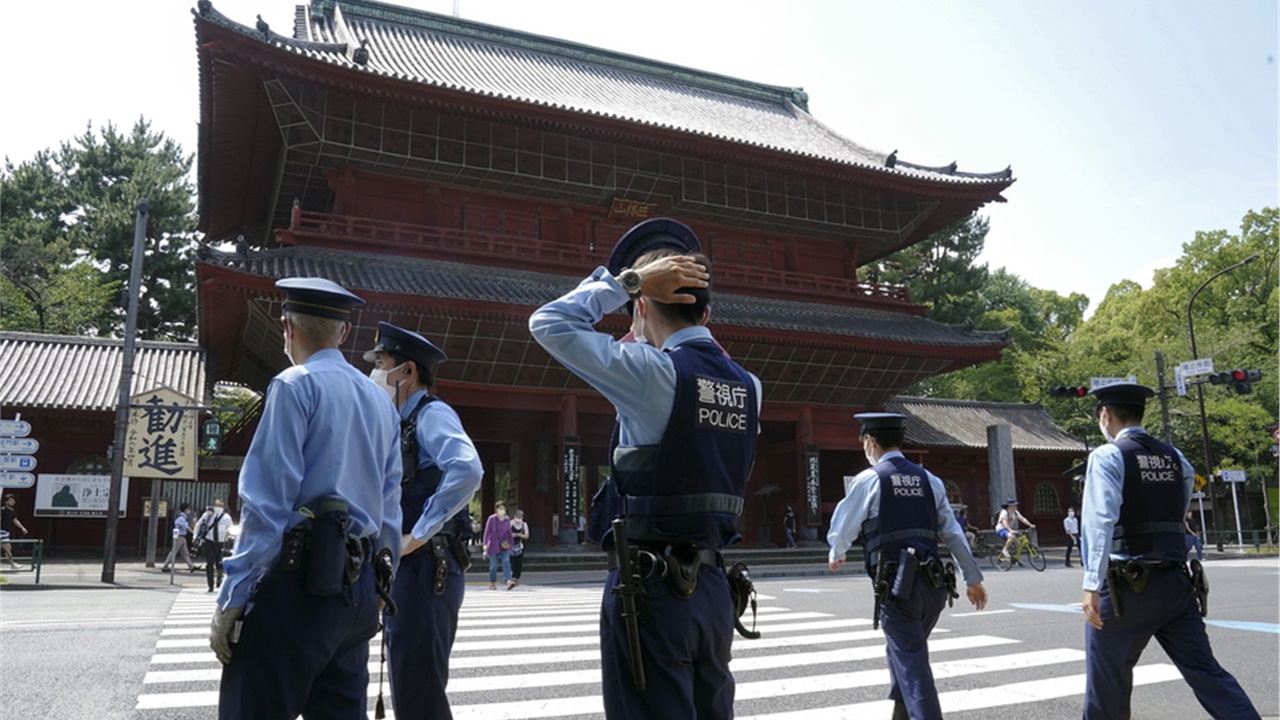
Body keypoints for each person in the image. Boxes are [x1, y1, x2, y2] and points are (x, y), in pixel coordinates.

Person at [529, 217, 761, 719]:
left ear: (640, 305)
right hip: (714, 592)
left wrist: (625, 282)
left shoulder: (653, 374)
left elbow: (547, 323)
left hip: (650, 591)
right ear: (707, 310)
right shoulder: (749, 386)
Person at [208, 277, 403, 720]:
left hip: (295, 585)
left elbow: (267, 503)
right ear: (345, 333)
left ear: (286, 328)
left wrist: (233, 595)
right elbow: (390, 506)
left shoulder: (295, 385)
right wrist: (379, 583)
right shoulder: (380, 401)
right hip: (357, 589)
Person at [1079, 383, 1259, 720]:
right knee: (1207, 675)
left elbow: (1099, 521)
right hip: (1175, 585)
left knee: (1108, 684)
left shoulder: (1108, 455)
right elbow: (1178, 509)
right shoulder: (1175, 457)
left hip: (1123, 590)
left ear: (1105, 415)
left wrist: (1091, 583)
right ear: (1140, 414)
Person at [827, 413, 987, 720]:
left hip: (898, 591)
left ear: (870, 441)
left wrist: (838, 550)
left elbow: (844, 524)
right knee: (903, 653)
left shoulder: (870, 479)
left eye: (864, 443)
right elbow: (952, 532)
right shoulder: (931, 480)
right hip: (934, 589)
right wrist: (973, 578)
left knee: (912, 663)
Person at [364, 321, 483, 719]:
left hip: (428, 566)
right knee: (408, 678)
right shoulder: (398, 422)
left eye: (381, 364)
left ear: (408, 371)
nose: (375, 374)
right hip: (409, 569)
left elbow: (467, 469)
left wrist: (418, 532)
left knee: (419, 690)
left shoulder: (432, 414)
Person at [194, 500, 233, 592]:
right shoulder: (208, 515)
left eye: (220, 506)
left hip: (220, 543)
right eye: (217, 505)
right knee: (209, 563)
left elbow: (230, 530)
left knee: (219, 563)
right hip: (209, 542)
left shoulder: (226, 518)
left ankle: (219, 579)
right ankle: (210, 585)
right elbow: (198, 525)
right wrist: (195, 536)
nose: (218, 507)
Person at [483, 501, 515, 590]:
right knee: (493, 565)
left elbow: (509, 532)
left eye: (503, 508)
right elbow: (487, 532)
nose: (502, 510)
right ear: (496, 509)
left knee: (506, 561)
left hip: (504, 544)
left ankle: (508, 580)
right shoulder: (491, 519)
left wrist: (511, 544)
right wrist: (485, 544)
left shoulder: (507, 520)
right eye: (500, 508)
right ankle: (492, 583)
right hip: (493, 544)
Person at [162, 502, 195, 573]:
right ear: (185, 510)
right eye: (188, 509)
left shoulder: (182, 518)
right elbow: (187, 528)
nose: (189, 511)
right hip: (179, 537)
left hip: (182, 538)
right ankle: (165, 566)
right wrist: (194, 533)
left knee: (185, 553)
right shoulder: (181, 518)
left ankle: (191, 566)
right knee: (173, 552)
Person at [1, 493, 29, 569]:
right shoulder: (3, 510)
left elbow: (15, 520)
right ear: (6, 501)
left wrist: (22, 528)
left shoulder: (12, 511)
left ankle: (12, 564)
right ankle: (12, 564)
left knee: (8, 548)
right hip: (1, 531)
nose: (12, 502)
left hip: (6, 532)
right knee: (7, 547)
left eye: (13, 500)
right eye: (10, 500)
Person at [510, 508, 530, 585]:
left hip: (520, 546)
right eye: (518, 516)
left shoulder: (524, 524)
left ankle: (516, 578)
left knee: (519, 562)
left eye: (520, 516)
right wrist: (512, 535)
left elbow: (527, 536)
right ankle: (511, 577)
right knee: (512, 561)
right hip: (511, 545)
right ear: (515, 516)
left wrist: (520, 535)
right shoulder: (510, 523)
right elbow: (506, 534)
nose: (519, 517)